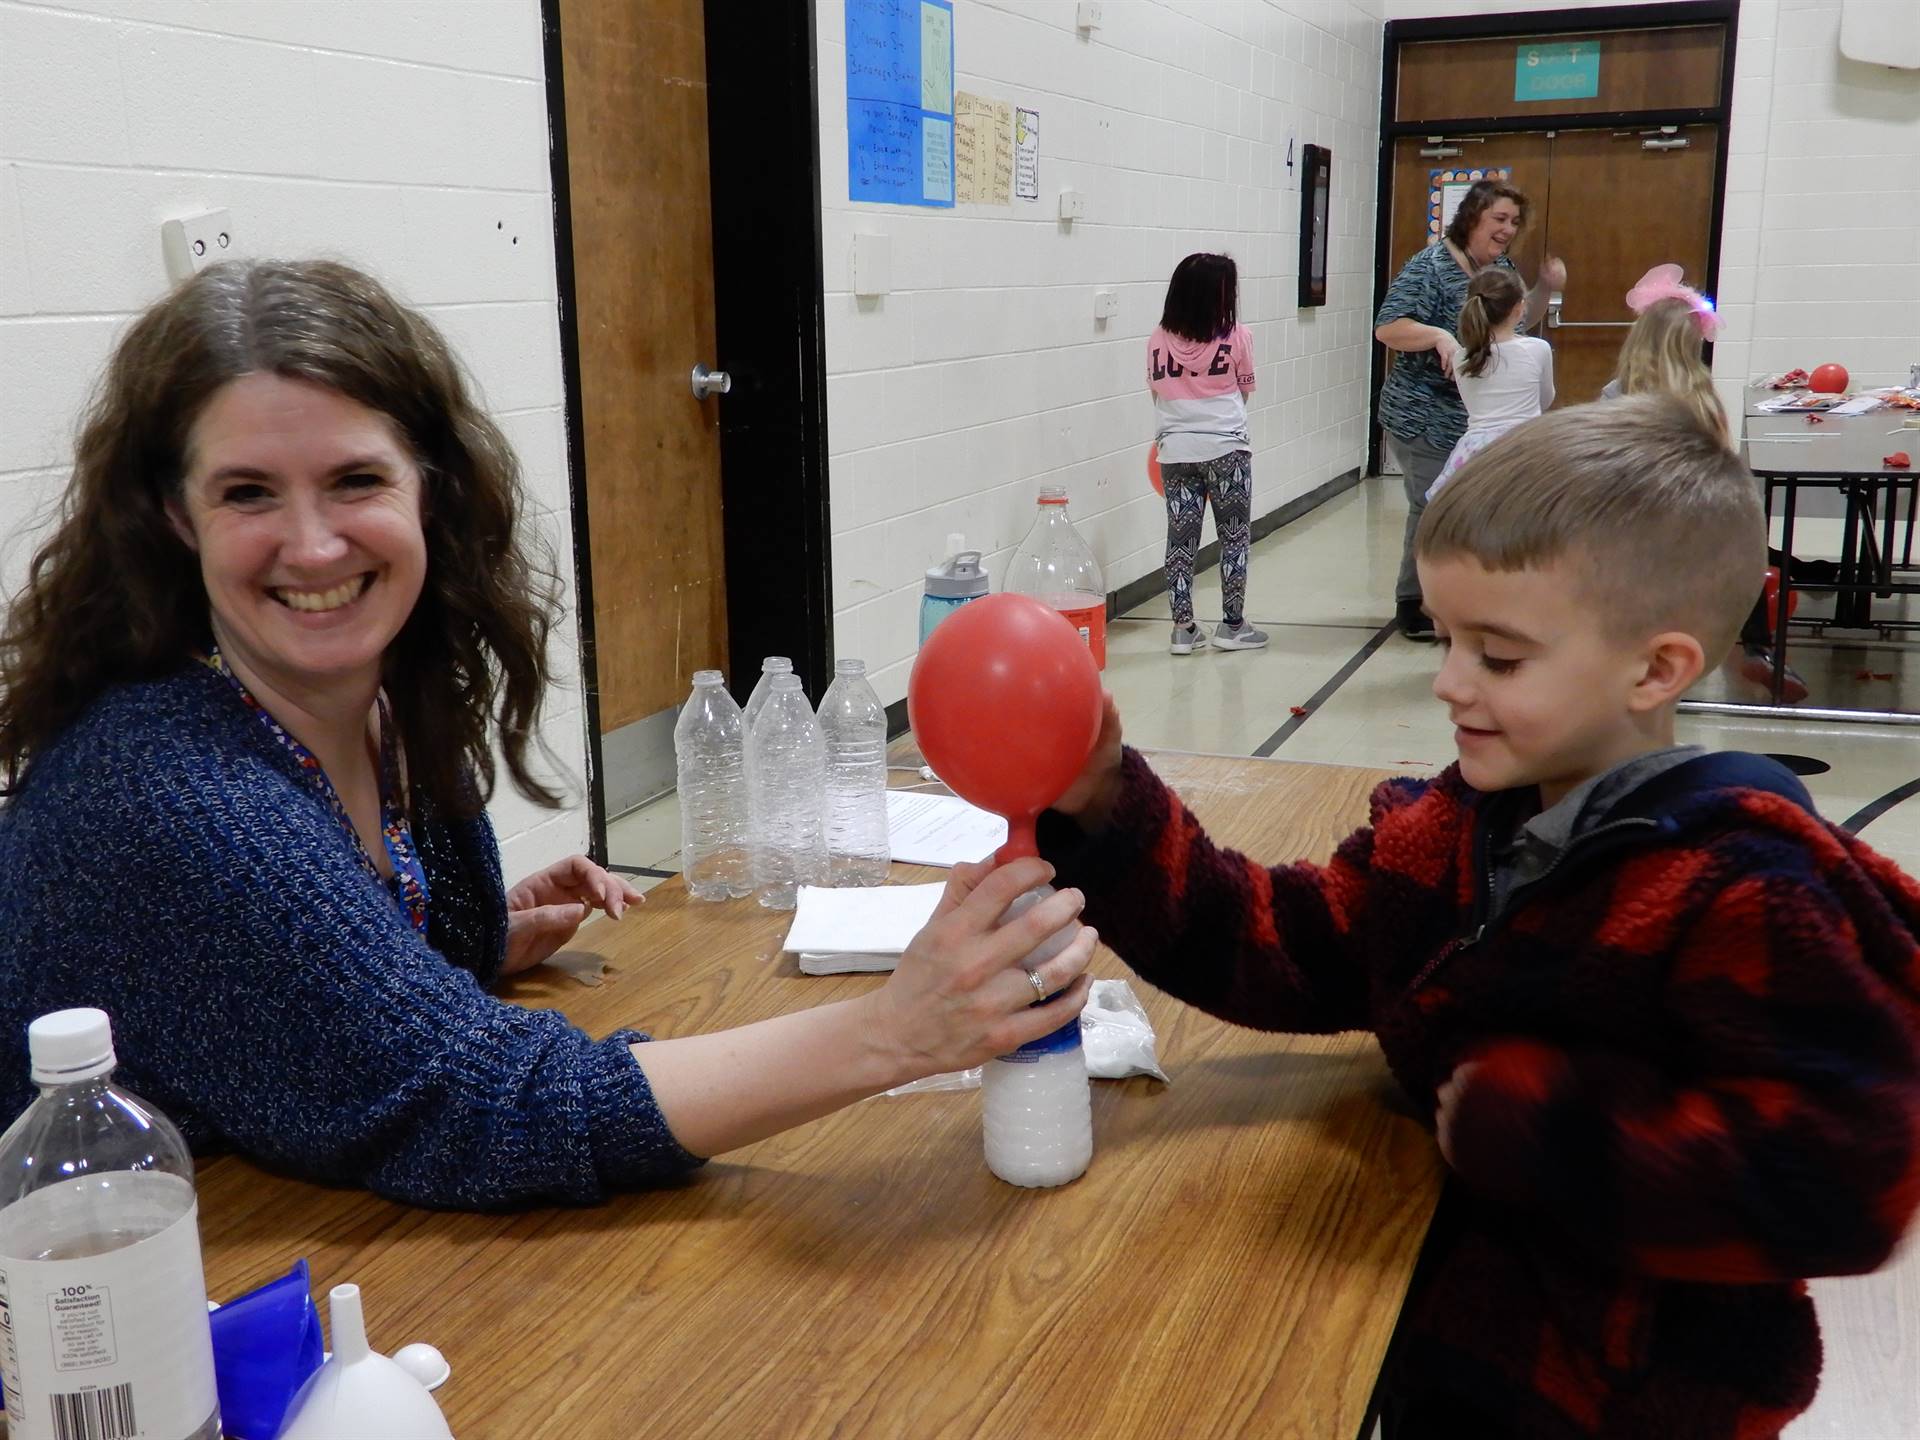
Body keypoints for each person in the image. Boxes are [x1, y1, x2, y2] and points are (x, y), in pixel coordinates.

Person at [0, 259, 1096, 1210]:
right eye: (248, 493)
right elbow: (488, 1110)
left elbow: (323, 1015)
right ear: (175, 518)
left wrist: (413, 939)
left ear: (429, 488)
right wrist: (895, 1033)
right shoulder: (165, 790)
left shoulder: (391, 698)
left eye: (355, 480)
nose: (315, 543)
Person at [1036, 398, 1920, 1438]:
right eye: (1449, 640)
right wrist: (1106, 799)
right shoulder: (1452, 828)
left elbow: (1849, 1177)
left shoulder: (1742, 892)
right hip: (1443, 1342)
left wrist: (1561, 1137)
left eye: (1498, 657)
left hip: (1623, 1405)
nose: (1451, 683)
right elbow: (1278, 944)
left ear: (1657, 669)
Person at [1605, 265, 1809, 702]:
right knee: (1752, 555)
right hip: (1697, 521)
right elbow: (1721, 464)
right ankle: (1758, 646)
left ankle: (1637, 656)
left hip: (1635, 525)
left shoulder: (1617, 393)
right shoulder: (1701, 394)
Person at [1374, 178, 1566, 640]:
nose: (1507, 229)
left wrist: (1545, 287)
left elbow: (1517, 318)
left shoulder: (1500, 266)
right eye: (1499, 218)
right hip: (1424, 415)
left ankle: (1466, 600)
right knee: (1432, 508)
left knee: (1473, 515)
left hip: (1474, 423)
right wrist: (1440, 336)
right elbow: (1388, 327)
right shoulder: (1431, 266)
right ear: (1473, 217)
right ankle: (1413, 602)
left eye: (1515, 221)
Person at [1146, 253, 1267, 655]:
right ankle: (1232, 627)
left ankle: (1183, 629)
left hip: (1175, 451)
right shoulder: (1238, 336)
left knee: (1180, 540)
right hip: (1227, 448)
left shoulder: (1158, 339)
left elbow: (1155, 393)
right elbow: (1244, 390)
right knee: (1233, 537)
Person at [1424, 267, 1554, 500]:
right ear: (1519, 308)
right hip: (1524, 447)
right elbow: (1545, 399)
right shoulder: (1537, 348)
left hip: (1474, 452)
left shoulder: (1462, 357)